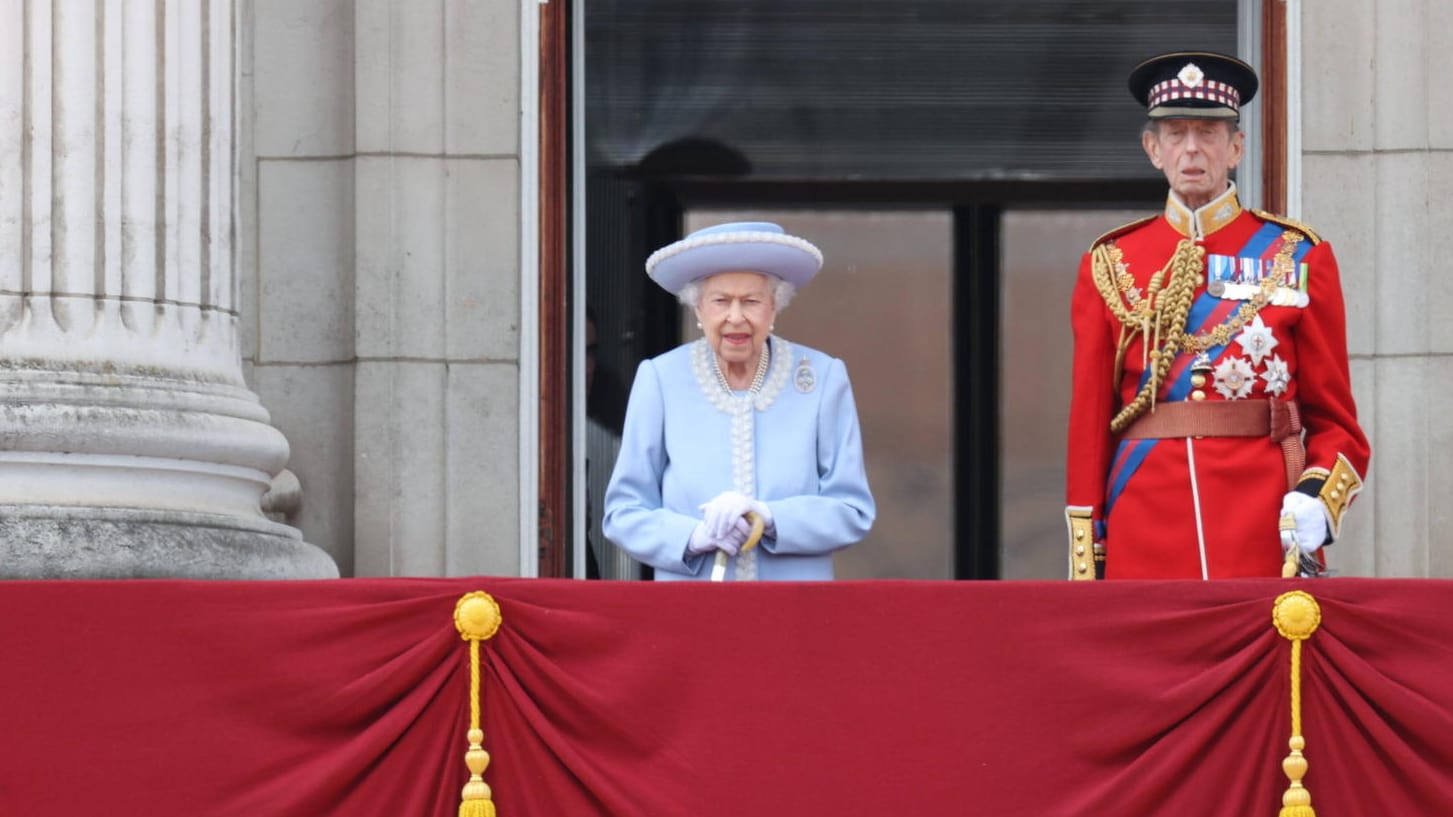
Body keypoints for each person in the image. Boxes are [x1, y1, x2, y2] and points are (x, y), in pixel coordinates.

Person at [1064, 52, 1371, 580]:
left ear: (1236, 148)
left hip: (1261, 519)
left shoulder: (1297, 255)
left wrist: (1320, 498)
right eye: (1175, 133)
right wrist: (1088, 551)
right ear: (1152, 149)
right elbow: (1090, 424)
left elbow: (1338, 422)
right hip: (1144, 520)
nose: (1191, 149)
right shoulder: (1110, 263)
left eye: (1208, 133)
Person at [603, 221, 875, 581]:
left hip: (795, 610)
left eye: (751, 301)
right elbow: (623, 512)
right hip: (692, 608)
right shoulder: (661, 379)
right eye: (720, 301)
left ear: (774, 307)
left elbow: (852, 510)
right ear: (698, 308)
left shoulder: (822, 377)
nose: (735, 317)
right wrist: (692, 537)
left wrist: (769, 516)